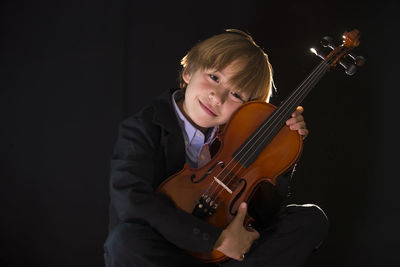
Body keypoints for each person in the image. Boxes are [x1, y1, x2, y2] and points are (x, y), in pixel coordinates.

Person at [104, 29, 328, 267]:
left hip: (222, 257)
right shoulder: (142, 127)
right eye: (214, 78)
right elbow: (131, 200)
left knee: (310, 219)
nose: (218, 97)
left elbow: (265, 213)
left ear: (247, 108)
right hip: (164, 251)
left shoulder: (239, 136)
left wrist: (282, 147)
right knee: (124, 241)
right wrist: (217, 240)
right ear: (188, 71)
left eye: (236, 94)